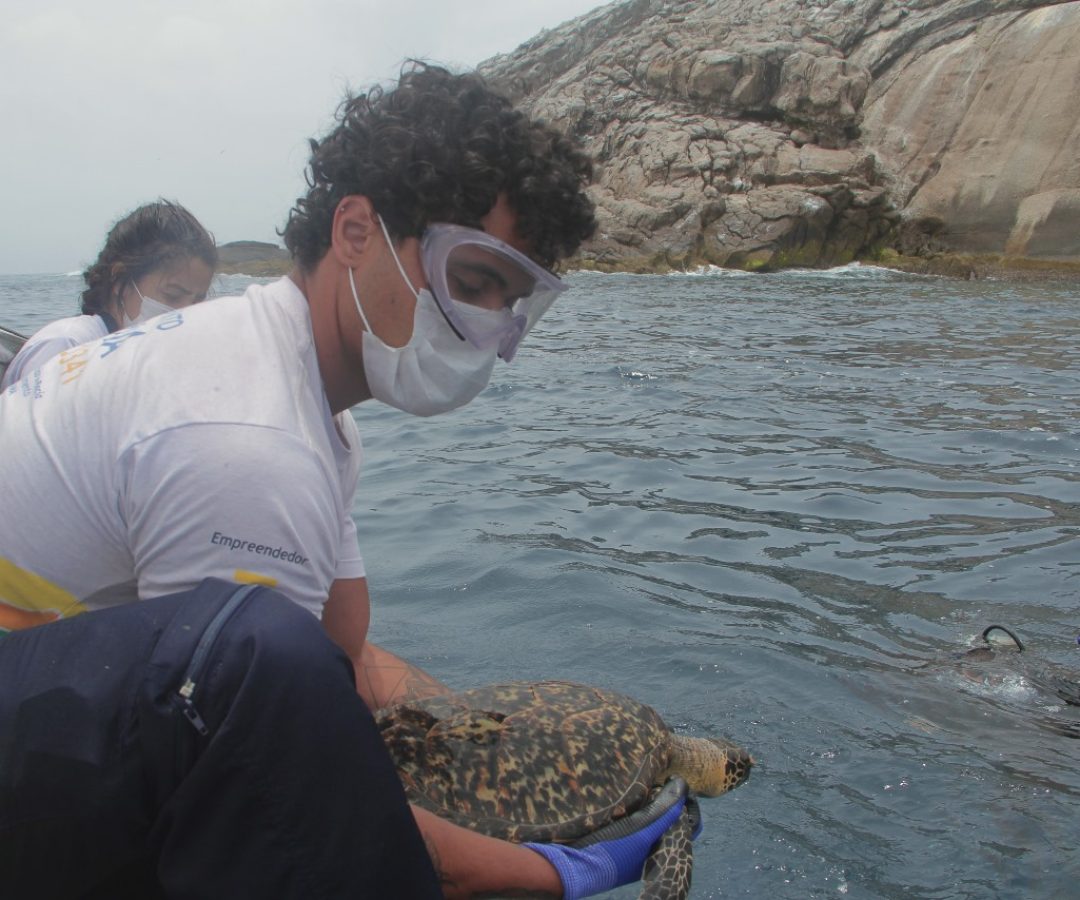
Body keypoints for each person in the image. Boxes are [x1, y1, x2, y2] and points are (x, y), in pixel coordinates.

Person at [0, 64, 692, 898]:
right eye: (471, 282)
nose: (483, 330)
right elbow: (263, 773)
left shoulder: (310, 415)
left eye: (511, 305)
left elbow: (347, 653)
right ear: (356, 231)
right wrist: (552, 873)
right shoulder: (247, 443)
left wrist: (492, 739)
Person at [1, 200, 217, 391]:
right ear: (120, 278)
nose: (185, 313)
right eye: (172, 295)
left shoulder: (142, 361)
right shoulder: (67, 347)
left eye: (197, 301)